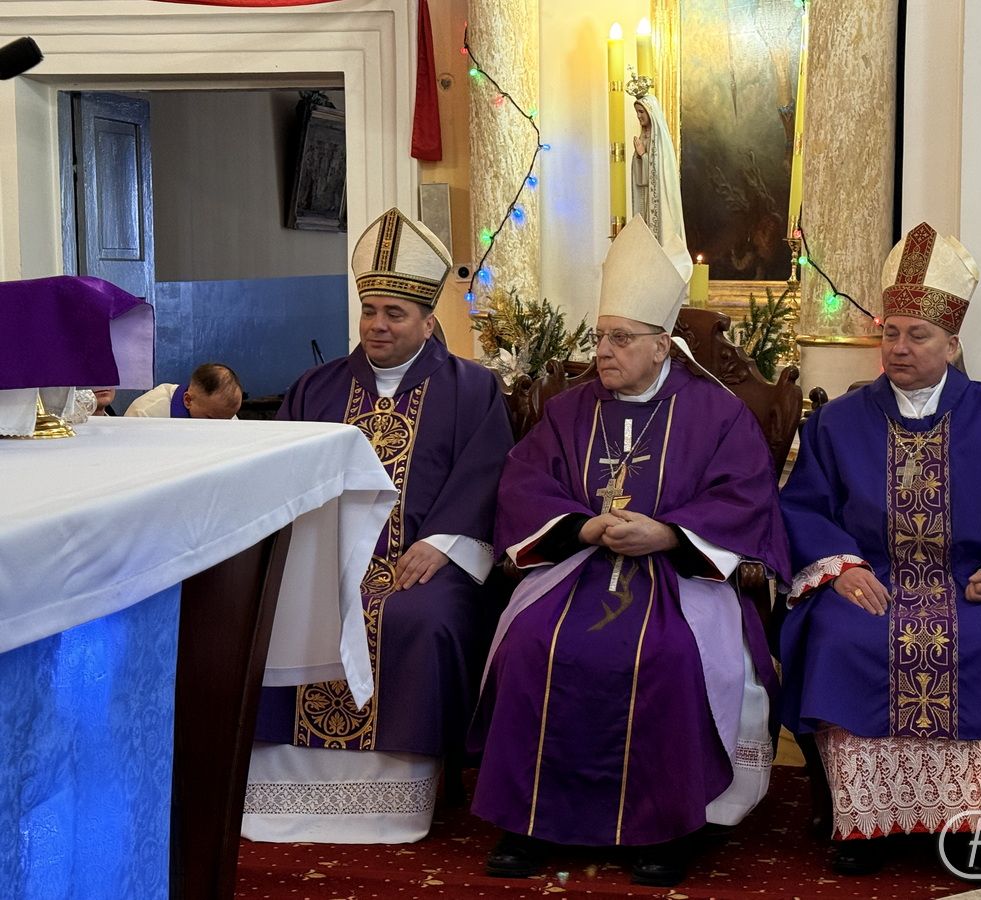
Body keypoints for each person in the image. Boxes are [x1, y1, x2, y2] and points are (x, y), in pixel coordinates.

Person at [469, 216, 790, 887]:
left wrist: (668, 533)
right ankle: (530, 819)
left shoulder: (717, 413)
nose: (603, 352)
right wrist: (584, 528)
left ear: (662, 345)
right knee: (531, 643)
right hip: (576, 568)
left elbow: (745, 498)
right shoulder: (569, 409)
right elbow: (524, 484)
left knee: (669, 654)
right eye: (600, 336)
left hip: (681, 575)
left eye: (621, 339)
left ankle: (668, 824)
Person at [778, 222, 981, 877]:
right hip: (874, 584)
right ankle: (865, 824)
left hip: (970, 585)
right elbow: (802, 506)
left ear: (952, 343)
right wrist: (840, 567)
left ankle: (978, 828)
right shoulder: (836, 422)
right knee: (839, 635)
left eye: (918, 335)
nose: (900, 347)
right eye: (891, 333)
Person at [244, 208, 513, 844]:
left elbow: (487, 474)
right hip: (321, 561)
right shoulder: (314, 389)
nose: (377, 325)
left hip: (423, 562)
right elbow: (280, 478)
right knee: (276, 612)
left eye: (395, 313)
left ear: (427, 321)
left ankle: (401, 796)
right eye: (370, 311)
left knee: (421, 618)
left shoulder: (472, 389)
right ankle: (276, 791)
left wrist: (442, 543)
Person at [628, 83, 686, 253]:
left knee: (661, 240)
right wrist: (640, 157)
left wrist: (643, 155)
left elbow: (659, 174)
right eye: (637, 112)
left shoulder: (660, 142)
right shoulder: (643, 137)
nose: (638, 116)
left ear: (650, 112)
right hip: (647, 199)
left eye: (641, 112)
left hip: (661, 203)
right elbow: (642, 180)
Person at [124, 363, 242, 418]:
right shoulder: (143, 415)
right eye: (210, 419)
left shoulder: (221, 414)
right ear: (188, 400)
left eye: (227, 420)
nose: (219, 428)